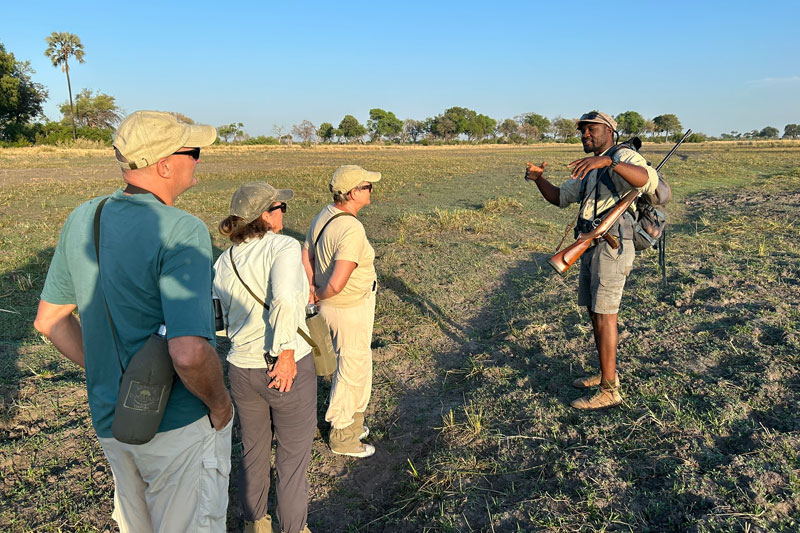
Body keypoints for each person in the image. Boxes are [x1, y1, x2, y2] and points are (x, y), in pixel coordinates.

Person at [33, 110, 234, 531]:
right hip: (175, 427)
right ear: (164, 164)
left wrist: (112, 373)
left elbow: (50, 320)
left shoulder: (83, 218)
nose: (198, 161)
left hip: (113, 420)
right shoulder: (182, 230)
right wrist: (220, 404)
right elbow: (189, 351)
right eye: (193, 152)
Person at [525, 111, 658, 410]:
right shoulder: (589, 166)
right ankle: (604, 374)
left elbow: (648, 180)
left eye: (591, 129)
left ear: (609, 130)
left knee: (606, 314)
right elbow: (560, 197)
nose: (585, 134)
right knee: (595, 312)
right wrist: (538, 179)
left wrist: (609, 161)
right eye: (582, 130)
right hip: (589, 244)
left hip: (613, 245)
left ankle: (610, 390)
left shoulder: (622, 155)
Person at [212, 182, 315, 533]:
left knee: (253, 451)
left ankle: (255, 523)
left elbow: (220, 321)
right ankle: (293, 528)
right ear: (265, 216)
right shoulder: (283, 246)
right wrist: (284, 352)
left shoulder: (224, 261)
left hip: (241, 367)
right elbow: (286, 298)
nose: (284, 212)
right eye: (279, 207)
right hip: (285, 366)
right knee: (291, 459)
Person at [301, 165, 380, 457]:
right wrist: (321, 293)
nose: (371, 190)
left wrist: (312, 290)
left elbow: (305, 254)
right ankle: (343, 435)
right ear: (352, 193)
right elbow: (337, 282)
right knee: (352, 368)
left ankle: (355, 423)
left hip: (333, 307)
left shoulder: (325, 215)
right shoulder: (350, 227)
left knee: (356, 363)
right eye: (367, 186)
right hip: (349, 308)